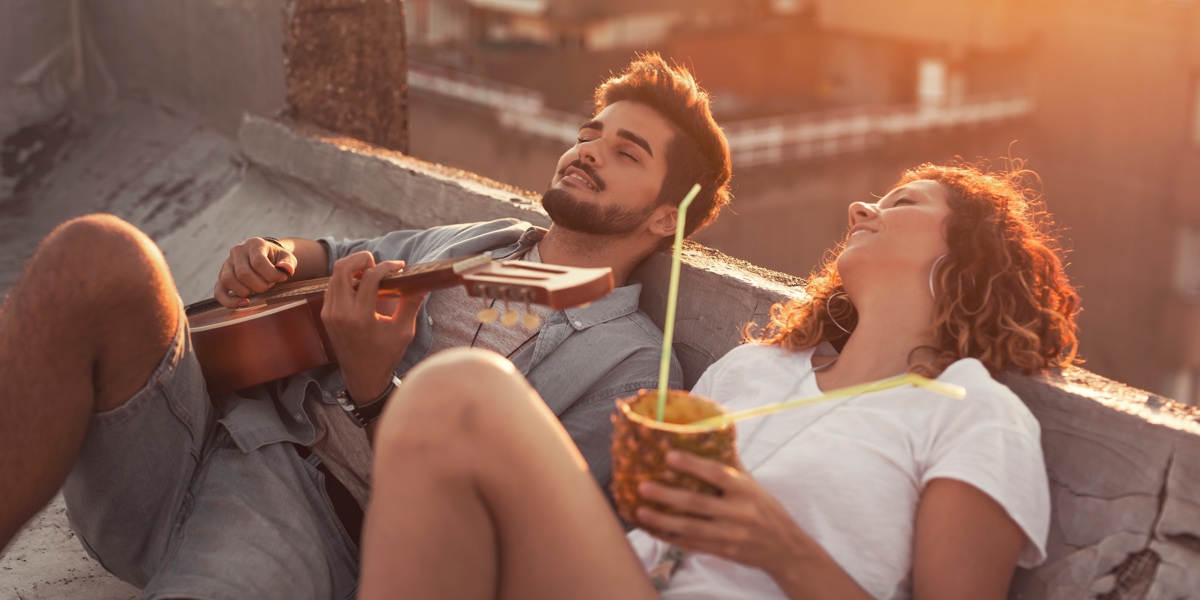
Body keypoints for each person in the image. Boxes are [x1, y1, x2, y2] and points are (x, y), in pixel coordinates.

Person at [0, 53, 732, 599]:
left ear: (667, 216)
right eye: (590, 133)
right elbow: (345, 255)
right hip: (215, 427)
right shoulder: (488, 241)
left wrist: (375, 387)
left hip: (319, 518)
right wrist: (275, 257)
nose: (589, 150)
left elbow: (509, 549)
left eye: (625, 152)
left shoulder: (632, 372)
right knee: (98, 252)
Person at [355, 162, 1081, 599]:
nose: (864, 209)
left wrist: (779, 547)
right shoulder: (757, 366)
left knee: (465, 393)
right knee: (451, 395)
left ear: (966, 258)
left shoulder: (972, 414)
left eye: (903, 204)